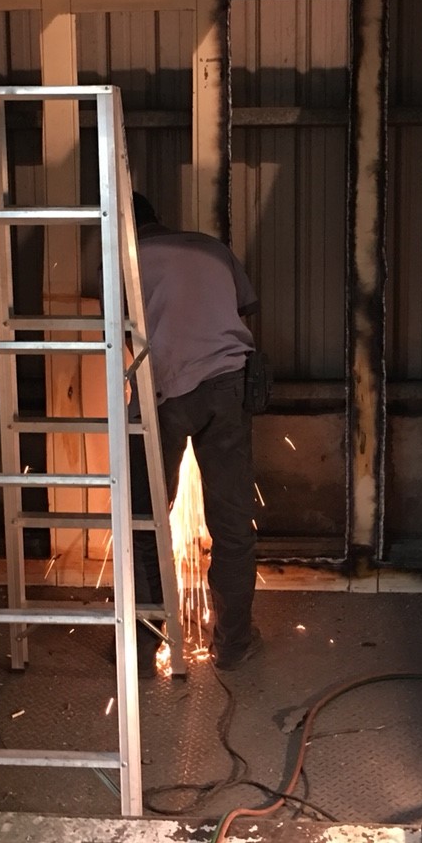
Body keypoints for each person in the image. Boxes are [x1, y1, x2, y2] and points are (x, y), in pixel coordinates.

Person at [129, 192, 262, 672]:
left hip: (163, 393)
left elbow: (119, 334)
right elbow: (244, 307)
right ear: (158, 218)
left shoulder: (122, 258)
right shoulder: (211, 247)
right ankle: (234, 645)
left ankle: (144, 647)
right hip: (227, 385)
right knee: (232, 523)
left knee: (144, 521)